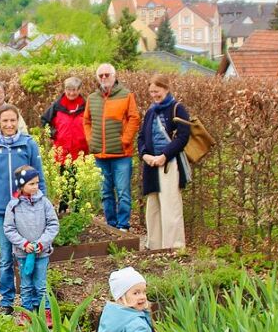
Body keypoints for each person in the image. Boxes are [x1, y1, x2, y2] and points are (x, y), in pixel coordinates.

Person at [0, 104, 45, 314]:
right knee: (7, 257)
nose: (9, 124)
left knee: (30, 252)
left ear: (18, 121)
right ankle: (7, 300)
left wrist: (42, 205)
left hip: (27, 209)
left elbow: (39, 179)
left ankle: (34, 299)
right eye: (4, 121)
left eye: (12, 120)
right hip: (1, 211)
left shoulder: (28, 145)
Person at [83, 63, 140, 231]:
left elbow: (134, 118)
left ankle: (123, 226)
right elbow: (86, 120)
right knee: (105, 192)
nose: (104, 78)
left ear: (114, 76)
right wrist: (90, 140)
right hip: (100, 155)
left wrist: (126, 139)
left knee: (123, 192)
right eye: (100, 75)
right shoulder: (92, 98)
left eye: (107, 74)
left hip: (121, 154)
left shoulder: (126, 95)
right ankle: (111, 225)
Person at [138, 74, 191, 250]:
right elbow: (141, 137)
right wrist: (144, 155)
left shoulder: (178, 109)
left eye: (157, 91)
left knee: (171, 207)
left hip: (170, 164)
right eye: (151, 92)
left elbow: (183, 137)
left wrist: (164, 155)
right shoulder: (151, 111)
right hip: (151, 165)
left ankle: (174, 247)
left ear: (166, 88)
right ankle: (155, 246)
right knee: (153, 208)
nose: (154, 95)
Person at [3, 166, 59, 325]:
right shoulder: (13, 206)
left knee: (41, 285)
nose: (36, 187)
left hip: (42, 253)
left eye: (37, 183)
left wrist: (42, 243)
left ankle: (46, 312)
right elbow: (9, 228)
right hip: (22, 253)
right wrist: (24, 243)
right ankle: (26, 312)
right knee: (26, 284)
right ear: (21, 186)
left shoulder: (45, 203)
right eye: (31, 184)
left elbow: (53, 225)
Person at [40, 77, 89, 213]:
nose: (71, 93)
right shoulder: (57, 105)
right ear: (64, 89)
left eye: (74, 90)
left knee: (78, 180)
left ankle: (78, 209)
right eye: (68, 89)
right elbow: (44, 121)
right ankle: (63, 207)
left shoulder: (85, 105)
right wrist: (54, 134)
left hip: (81, 150)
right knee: (64, 179)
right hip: (63, 150)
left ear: (79, 90)